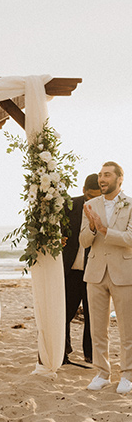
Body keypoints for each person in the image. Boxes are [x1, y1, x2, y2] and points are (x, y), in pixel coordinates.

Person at [80, 162, 132, 393]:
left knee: (127, 328)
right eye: (100, 175)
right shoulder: (90, 205)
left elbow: (130, 239)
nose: (102, 179)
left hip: (124, 273)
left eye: (107, 175)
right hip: (96, 273)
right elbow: (83, 242)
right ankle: (102, 373)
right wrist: (91, 228)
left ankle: (127, 375)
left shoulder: (130, 205)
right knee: (97, 329)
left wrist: (103, 230)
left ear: (120, 179)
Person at [62, 174, 100, 365]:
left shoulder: (105, 208)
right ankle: (63, 350)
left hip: (93, 271)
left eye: (96, 196)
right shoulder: (69, 205)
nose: (92, 200)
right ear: (83, 190)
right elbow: (57, 230)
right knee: (65, 313)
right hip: (70, 270)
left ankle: (90, 354)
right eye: (89, 196)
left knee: (92, 315)